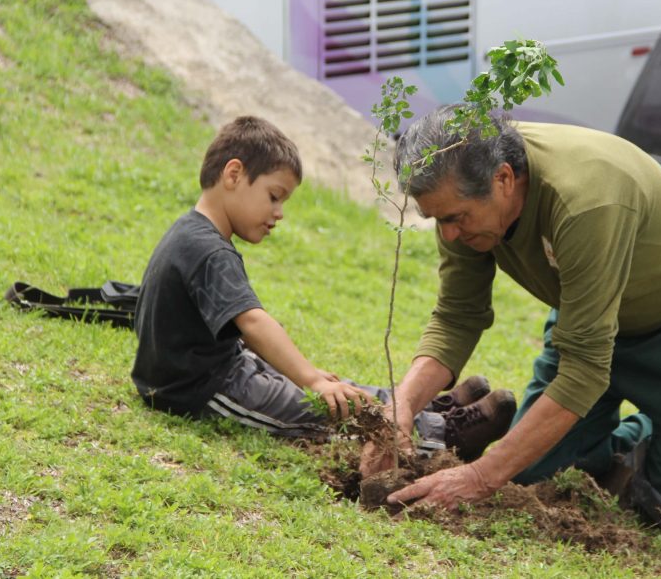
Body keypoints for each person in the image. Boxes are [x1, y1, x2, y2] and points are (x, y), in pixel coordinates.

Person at [360, 105, 661, 539]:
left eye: (456, 218)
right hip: (586, 319)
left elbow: (584, 372)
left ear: (504, 179)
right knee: (532, 475)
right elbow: (457, 316)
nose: (448, 234)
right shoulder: (461, 198)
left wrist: (480, 476)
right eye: (436, 220)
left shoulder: (583, 200)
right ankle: (646, 442)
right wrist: (400, 409)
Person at [132, 115, 513, 450]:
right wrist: (312, 379)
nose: (279, 213)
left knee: (338, 391)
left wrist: (313, 377)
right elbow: (253, 322)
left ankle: (423, 405)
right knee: (319, 409)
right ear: (233, 175)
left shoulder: (193, 233)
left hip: (226, 365)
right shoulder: (209, 250)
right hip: (200, 389)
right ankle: (443, 433)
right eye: (274, 197)